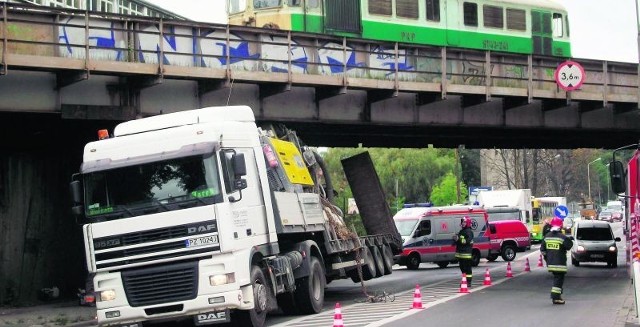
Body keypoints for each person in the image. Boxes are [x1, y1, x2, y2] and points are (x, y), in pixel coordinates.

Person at [540, 217, 573, 304]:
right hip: (560, 263)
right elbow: (569, 246)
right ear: (560, 226)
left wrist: (547, 259)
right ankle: (556, 297)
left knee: (557, 278)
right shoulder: (562, 237)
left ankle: (557, 296)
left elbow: (542, 250)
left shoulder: (547, 236)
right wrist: (568, 238)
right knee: (558, 280)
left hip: (551, 263)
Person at [453, 216, 475, 285]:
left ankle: (468, 282)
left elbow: (466, 241)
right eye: (462, 222)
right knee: (462, 268)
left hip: (466, 254)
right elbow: (459, 241)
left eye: (464, 222)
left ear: (468, 223)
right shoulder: (462, 231)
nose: (463, 223)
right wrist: (455, 240)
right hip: (461, 254)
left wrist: (458, 239)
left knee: (467, 269)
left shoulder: (469, 232)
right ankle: (464, 280)